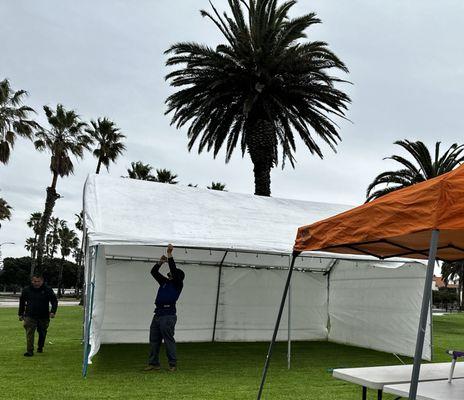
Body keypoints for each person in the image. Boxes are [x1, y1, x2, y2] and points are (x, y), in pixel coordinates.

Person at [145, 244, 185, 372]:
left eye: (172, 274)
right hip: (158, 313)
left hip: (168, 315)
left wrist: (169, 254)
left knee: (168, 340)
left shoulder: (178, 284)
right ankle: (154, 363)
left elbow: (173, 270)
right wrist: (160, 263)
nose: (169, 275)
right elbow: (153, 272)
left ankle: (172, 364)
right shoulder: (165, 282)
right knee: (154, 340)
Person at [18, 274, 58, 357]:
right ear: (32, 281)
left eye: (38, 281)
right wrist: (20, 313)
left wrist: (53, 311)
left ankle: (40, 346)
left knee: (42, 332)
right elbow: (22, 302)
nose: (36, 283)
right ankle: (29, 351)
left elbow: (54, 301)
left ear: (42, 281)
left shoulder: (47, 289)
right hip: (30, 315)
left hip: (43, 316)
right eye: (34, 281)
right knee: (29, 333)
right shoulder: (26, 290)